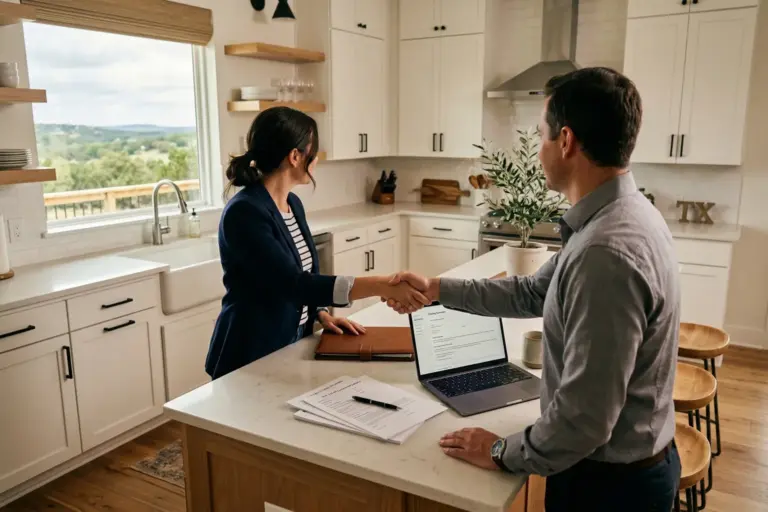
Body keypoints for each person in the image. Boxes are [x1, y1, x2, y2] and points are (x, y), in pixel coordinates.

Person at [387, 68, 681, 511]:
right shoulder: (621, 216)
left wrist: (500, 451)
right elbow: (530, 293)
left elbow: (584, 421)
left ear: (566, 141)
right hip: (624, 471)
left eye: (541, 135)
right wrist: (435, 289)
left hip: (609, 490)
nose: (538, 149)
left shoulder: (605, 252)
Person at [206, 107, 429, 380]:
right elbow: (292, 284)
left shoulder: (291, 204)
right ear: (295, 156)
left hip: (288, 348)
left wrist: (321, 314)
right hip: (251, 353)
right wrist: (381, 285)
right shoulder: (245, 212)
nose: (317, 160)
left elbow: (303, 275)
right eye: (315, 151)